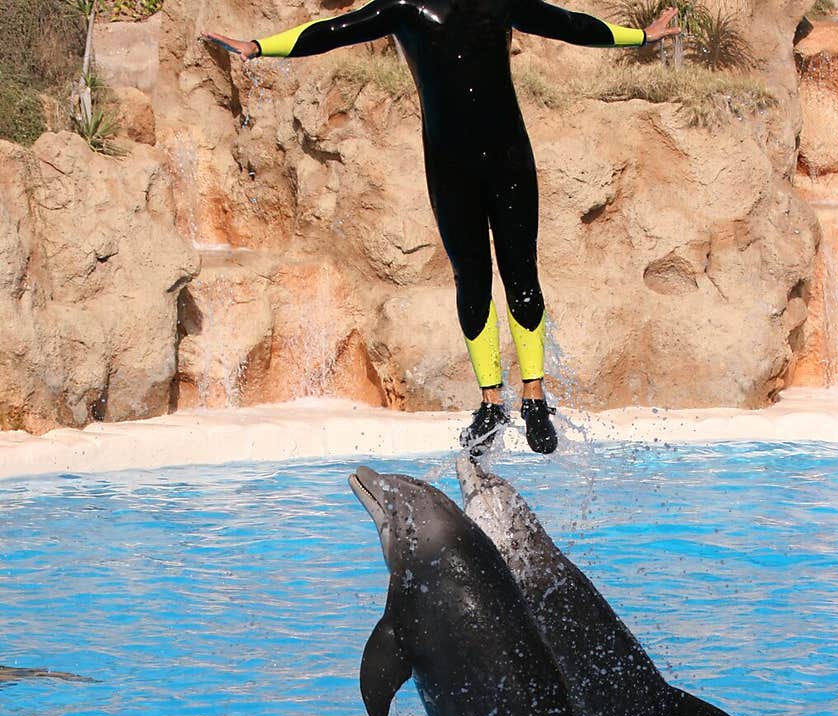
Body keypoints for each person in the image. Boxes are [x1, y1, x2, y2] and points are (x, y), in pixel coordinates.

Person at [202, 2, 681, 457]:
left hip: (510, 161)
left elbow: (568, 23)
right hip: (451, 173)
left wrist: (642, 36)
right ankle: (492, 403)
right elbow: (332, 32)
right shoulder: (405, 6)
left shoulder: (499, 1)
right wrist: (258, 46)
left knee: (520, 272)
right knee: (470, 278)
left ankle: (534, 397)